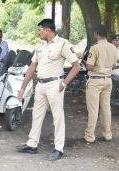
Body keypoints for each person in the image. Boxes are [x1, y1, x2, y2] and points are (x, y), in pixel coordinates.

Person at [17, 19, 80, 161]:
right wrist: (22, 88)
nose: (38, 33)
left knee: (57, 117)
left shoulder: (63, 43)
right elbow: (32, 68)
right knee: (36, 114)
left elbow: (76, 66)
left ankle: (58, 148)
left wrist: (63, 84)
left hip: (54, 85)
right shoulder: (40, 46)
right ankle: (32, 144)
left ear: (47, 30)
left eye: (40, 30)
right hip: (40, 85)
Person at [83, 25, 117, 143]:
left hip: (95, 80)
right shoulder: (113, 47)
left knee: (93, 109)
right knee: (106, 108)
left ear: (97, 33)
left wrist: (85, 61)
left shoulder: (95, 48)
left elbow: (89, 66)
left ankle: (90, 136)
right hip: (108, 79)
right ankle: (107, 134)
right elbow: (114, 65)